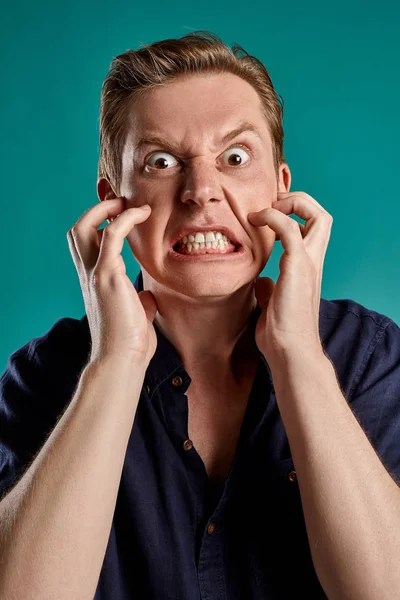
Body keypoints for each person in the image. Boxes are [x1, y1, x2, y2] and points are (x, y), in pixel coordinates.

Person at [0, 30, 399, 600]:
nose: (202, 191)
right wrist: (116, 362)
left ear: (281, 188)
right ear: (113, 199)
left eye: (235, 157)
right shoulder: (44, 377)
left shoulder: (369, 358)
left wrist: (300, 359)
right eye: (161, 161)